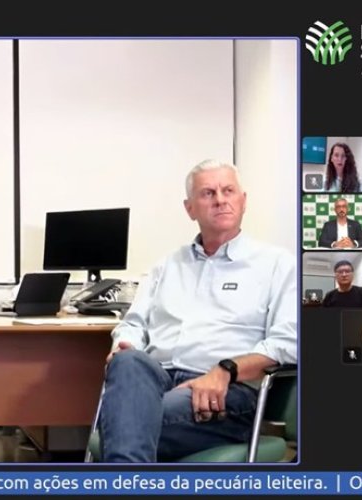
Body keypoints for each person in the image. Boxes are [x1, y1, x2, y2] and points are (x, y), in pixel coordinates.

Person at [98, 159, 297, 463]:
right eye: (208, 193)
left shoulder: (277, 264)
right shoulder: (166, 266)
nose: (220, 200)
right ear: (190, 208)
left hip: (226, 391)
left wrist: (225, 370)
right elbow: (133, 325)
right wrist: (125, 345)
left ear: (243, 201)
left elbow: (289, 343)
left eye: (228, 190)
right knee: (127, 363)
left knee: (124, 419)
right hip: (157, 380)